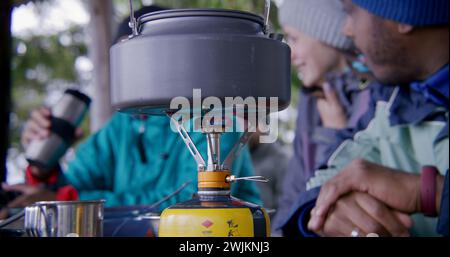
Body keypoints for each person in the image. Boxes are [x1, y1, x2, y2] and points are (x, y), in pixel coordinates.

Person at [1, 5, 261, 213]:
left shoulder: (215, 116)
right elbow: (73, 185)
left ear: (177, 56)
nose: (136, 68)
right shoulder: (120, 127)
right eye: (126, 57)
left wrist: (70, 199)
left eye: (144, 54)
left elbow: (194, 202)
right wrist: (42, 171)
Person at [278, 0, 449, 237]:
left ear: (403, 15)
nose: (346, 30)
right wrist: (320, 213)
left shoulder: (384, 97)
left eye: (350, 13)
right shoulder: (391, 102)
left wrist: (431, 193)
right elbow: (320, 184)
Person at [272, 0, 380, 235]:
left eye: (294, 39)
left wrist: (335, 135)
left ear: (324, 32)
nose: (290, 56)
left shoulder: (380, 93)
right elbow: (294, 192)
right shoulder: (311, 101)